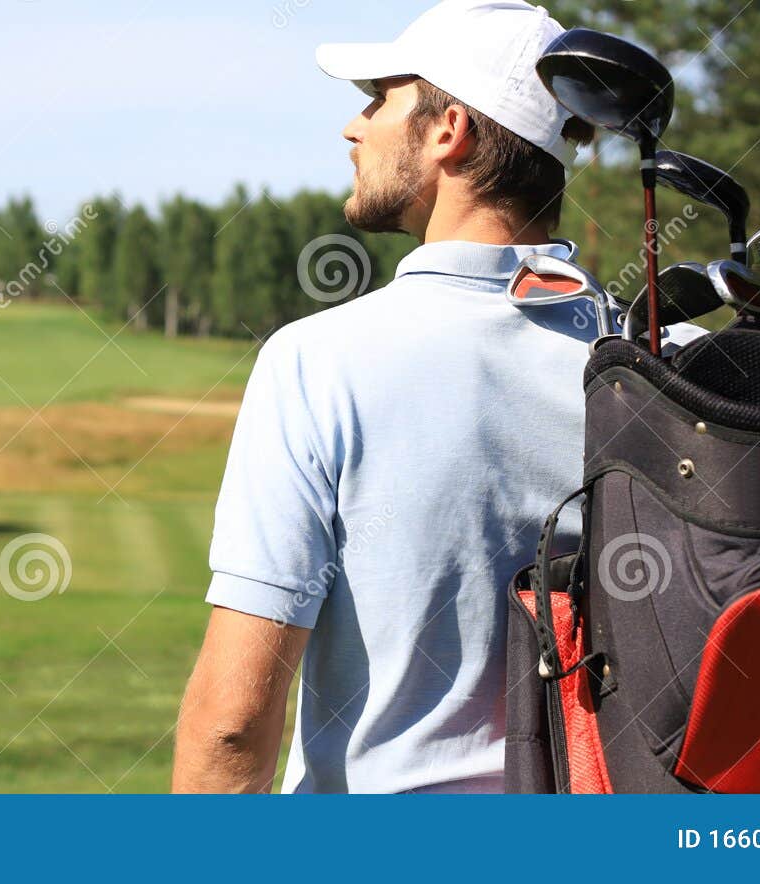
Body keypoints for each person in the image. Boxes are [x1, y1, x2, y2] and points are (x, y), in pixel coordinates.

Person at [171, 0, 604, 794]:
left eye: (379, 99)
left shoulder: (316, 360)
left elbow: (234, 720)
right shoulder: (652, 362)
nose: (354, 126)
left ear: (450, 130)